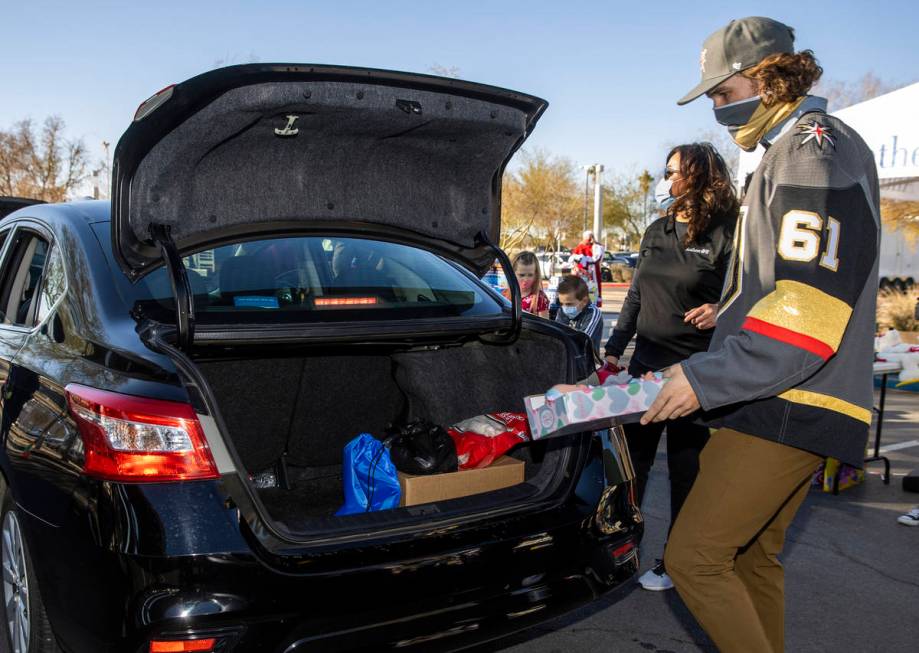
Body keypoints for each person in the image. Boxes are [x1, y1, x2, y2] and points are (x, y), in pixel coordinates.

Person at [642, 17, 880, 653]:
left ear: (772, 75)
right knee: (750, 562)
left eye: (724, 93)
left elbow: (810, 307)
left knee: (692, 560)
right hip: (791, 391)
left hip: (791, 398)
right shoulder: (794, 147)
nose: (720, 110)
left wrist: (705, 377)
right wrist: (735, 311)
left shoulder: (811, 146)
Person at [604, 142, 738, 591]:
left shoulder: (727, 232)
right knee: (632, 467)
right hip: (645, 367)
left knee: (687, 472)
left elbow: (754, 295)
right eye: (665, 171)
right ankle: (624, 551)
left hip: (696, 374)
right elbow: (637, 295)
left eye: (675, 171)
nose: (667, 179)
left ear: (700, 176)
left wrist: (723, 310)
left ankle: (675, 563)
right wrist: (614, 347)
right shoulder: (656, 230)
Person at [555, 275, 604, 353]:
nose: (564, 308)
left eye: (569, 304)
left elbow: (583, 341)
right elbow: (557, 335)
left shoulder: (593, 313)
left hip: (585, 362)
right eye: (561, 303)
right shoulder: (562, 311)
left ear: (584, 301)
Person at [503, 251, 549, 318]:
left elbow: (545, 325)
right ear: (513, 274)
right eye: (521, 275)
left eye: (530, 275)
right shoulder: (505, 295)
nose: (526, 279)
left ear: (536, 275)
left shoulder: (540, 299)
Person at [571, 230, 604, 308]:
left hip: (593, 272)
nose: (588, 241)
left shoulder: (597, 247)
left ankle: (593, 305)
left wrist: (585, 259)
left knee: (593, 288)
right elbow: (573, 259)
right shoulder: (580, 247)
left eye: (589, 239)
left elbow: (596, 259)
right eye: (586, 239)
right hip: (582, 273)